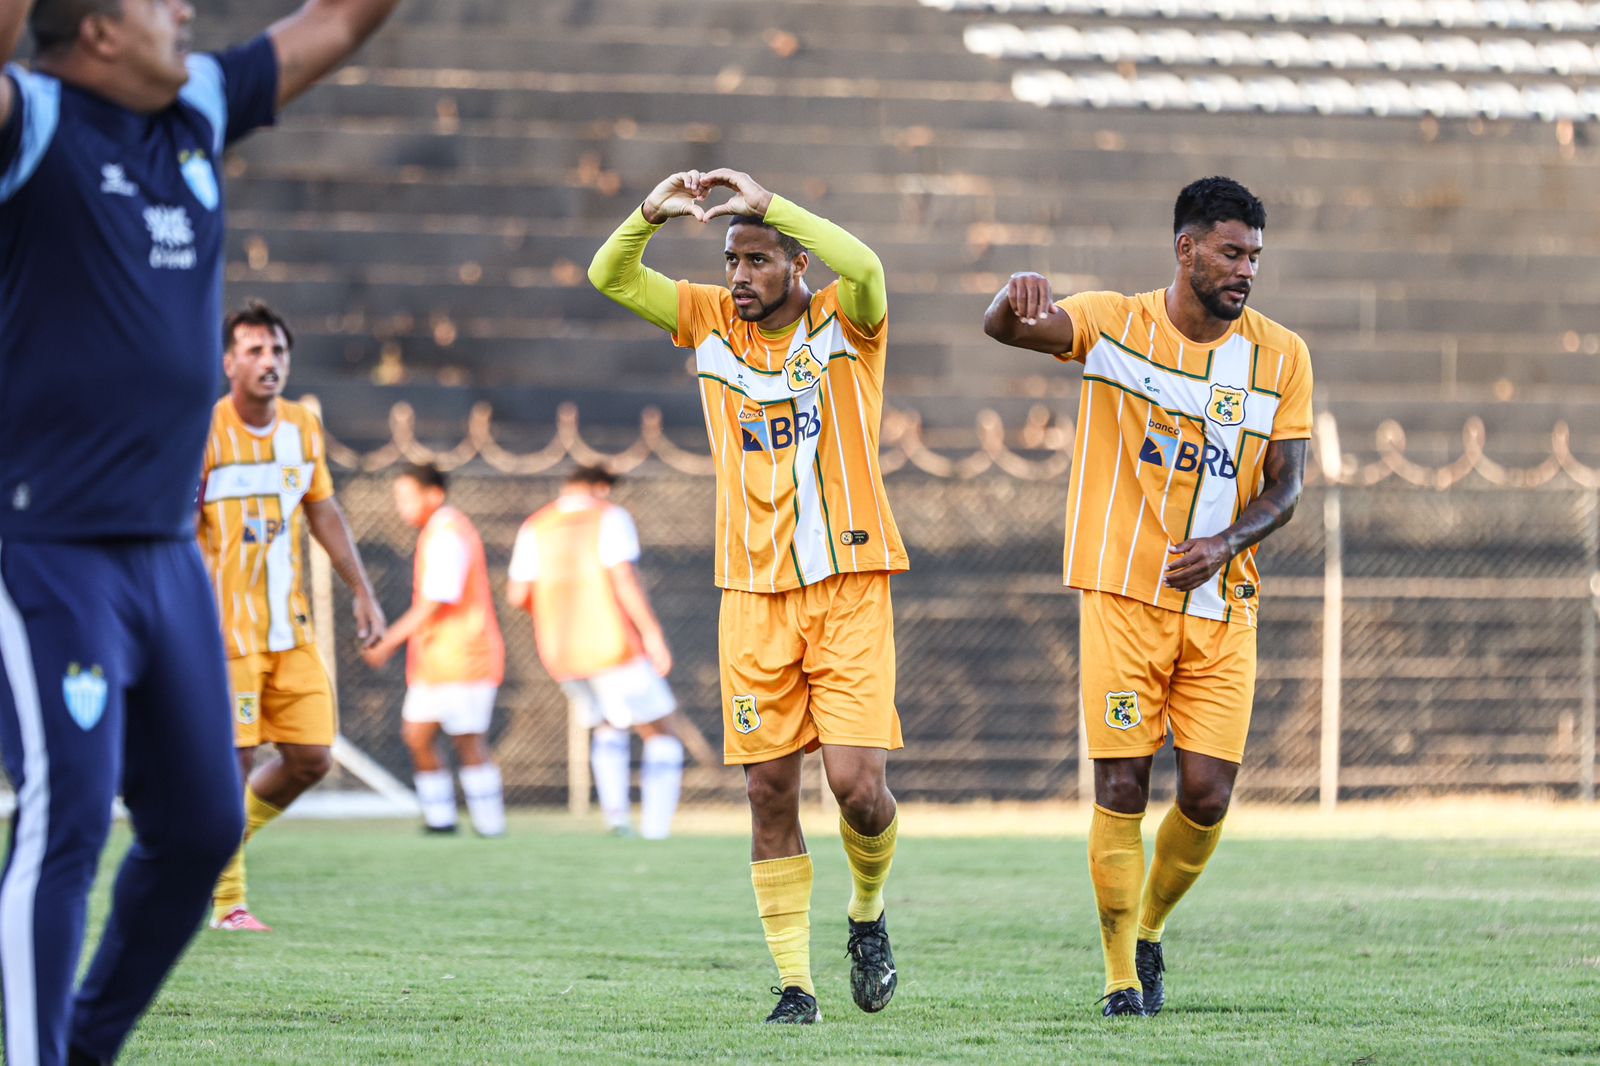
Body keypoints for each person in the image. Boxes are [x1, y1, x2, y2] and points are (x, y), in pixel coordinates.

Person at [0, 0, 399, 1060]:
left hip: (166, 559)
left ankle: (79, 1047)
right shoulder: (29, 120)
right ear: (90, 31)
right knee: (67, 819)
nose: (184, 9)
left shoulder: (196, 106)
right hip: (45, 547)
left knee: (201, 826)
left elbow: (344, 21)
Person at [982, 176, 1313, 1018]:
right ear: (1187, 249)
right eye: (1233, 253)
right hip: (1123, 601)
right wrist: (1010, 295)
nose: (1246, 271)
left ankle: (1152, 930)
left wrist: (1225, 543)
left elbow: (1288, 485)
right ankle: (1120, 978)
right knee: (1122, 786)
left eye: (1255, 258)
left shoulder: (1282, 356)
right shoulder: (1111, 324)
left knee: (1206, 796)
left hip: (1224, 606)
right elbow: (1007, 327)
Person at [589, 168, 910, 1025]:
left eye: (758, 259)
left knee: (854, 787)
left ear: (797, 266)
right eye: (732, 260)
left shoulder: (849, 320)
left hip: (847, 586)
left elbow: (870, 264)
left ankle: (868, 914)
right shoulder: (706, 323)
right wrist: (650, 214)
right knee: (768, 791)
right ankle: (796, 987)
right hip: (751, 597)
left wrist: (768, 203)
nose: (738, 275)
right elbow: (609, 277)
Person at [198, 300, 386, 932]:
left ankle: (209, 848)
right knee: (237, 760)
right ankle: (229, 903)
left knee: (311, 757)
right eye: (254, 350)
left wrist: (362, 589)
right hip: (223, 632)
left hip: (288, 627)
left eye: (276, 350)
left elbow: (322, 511)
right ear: (228, 363)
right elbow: (173, 526)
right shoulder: (204, 432)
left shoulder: (302, 427)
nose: (268, 361)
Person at [506, 464, 714, 840]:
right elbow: (623, 578)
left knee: (607, 725)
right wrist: (652, 633)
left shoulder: (536, 525)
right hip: (611, 645)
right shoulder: (609, 517)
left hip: (561, 651)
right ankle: (655, 831)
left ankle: (616, 818)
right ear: (601, 487)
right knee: (661, 730)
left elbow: (517, 594)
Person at [361, 464, 507, 838]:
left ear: (434, 494)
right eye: (399, 498)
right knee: (417, 735)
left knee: (468, 740)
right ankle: (440, 819)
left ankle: (490, 825)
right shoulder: (435, 533)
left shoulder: (448, 533)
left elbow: (436, 601)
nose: (402, 506)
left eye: (407, 497)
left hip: (464, 657)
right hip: (435, 662)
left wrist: (388, 641)